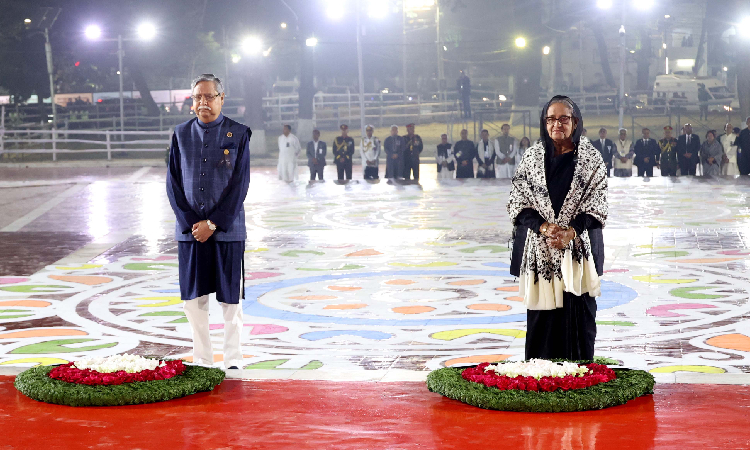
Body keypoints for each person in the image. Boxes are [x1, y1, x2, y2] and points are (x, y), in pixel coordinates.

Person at [508, 95, 607, 361]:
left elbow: (597, 203)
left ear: (575, 122)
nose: (557, 124)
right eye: (551, 119)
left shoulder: (591, 158)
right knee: (542, 318)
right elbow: (518, 201)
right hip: (541, 254)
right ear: (544, 123)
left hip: (578, 251)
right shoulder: (531, 158)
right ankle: (541, 377)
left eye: (564, 118)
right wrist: (543, 227)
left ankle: (578, 375)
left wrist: (570, 231)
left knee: (579, 314)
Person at [166, 74, 250, 370]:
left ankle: (233, 359)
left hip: (228, 231)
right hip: (191, 234)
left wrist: (213, 223)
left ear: (222, 99)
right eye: (198, 97)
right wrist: (192, 223)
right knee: (194, 300)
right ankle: (202, 359)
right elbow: (173, 185)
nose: (203, 102)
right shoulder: (180, 134)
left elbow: (240, 185)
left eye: (209, 96)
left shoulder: (238, 134)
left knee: (231, 301)